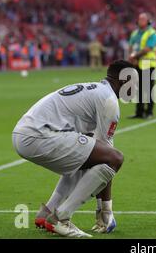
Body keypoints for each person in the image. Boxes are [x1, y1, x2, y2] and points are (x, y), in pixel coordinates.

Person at [12, 60, 138, 237]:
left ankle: (48, 211)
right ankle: (61, 218)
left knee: (86, 155)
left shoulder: (95, 89)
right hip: (40, 135)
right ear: (123, 81)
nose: (137, 89)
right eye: (135, 82)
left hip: (24, 133)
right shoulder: (109, 100)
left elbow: (95, 152)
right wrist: (105, 210)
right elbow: (108, 157)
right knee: (115, 158)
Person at [128, 12, 156, 119]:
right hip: (137, 63)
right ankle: (139, 112)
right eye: (139, 19)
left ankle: (149, 112)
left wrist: (134, 56)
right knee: (138, 88)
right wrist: (131, 57)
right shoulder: (135, 33)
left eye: (143, 19)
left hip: (148, 63)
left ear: (148, 21)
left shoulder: (152, 33)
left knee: (148, 88)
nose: (140, 21)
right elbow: (131, 46)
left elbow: (148, 48)